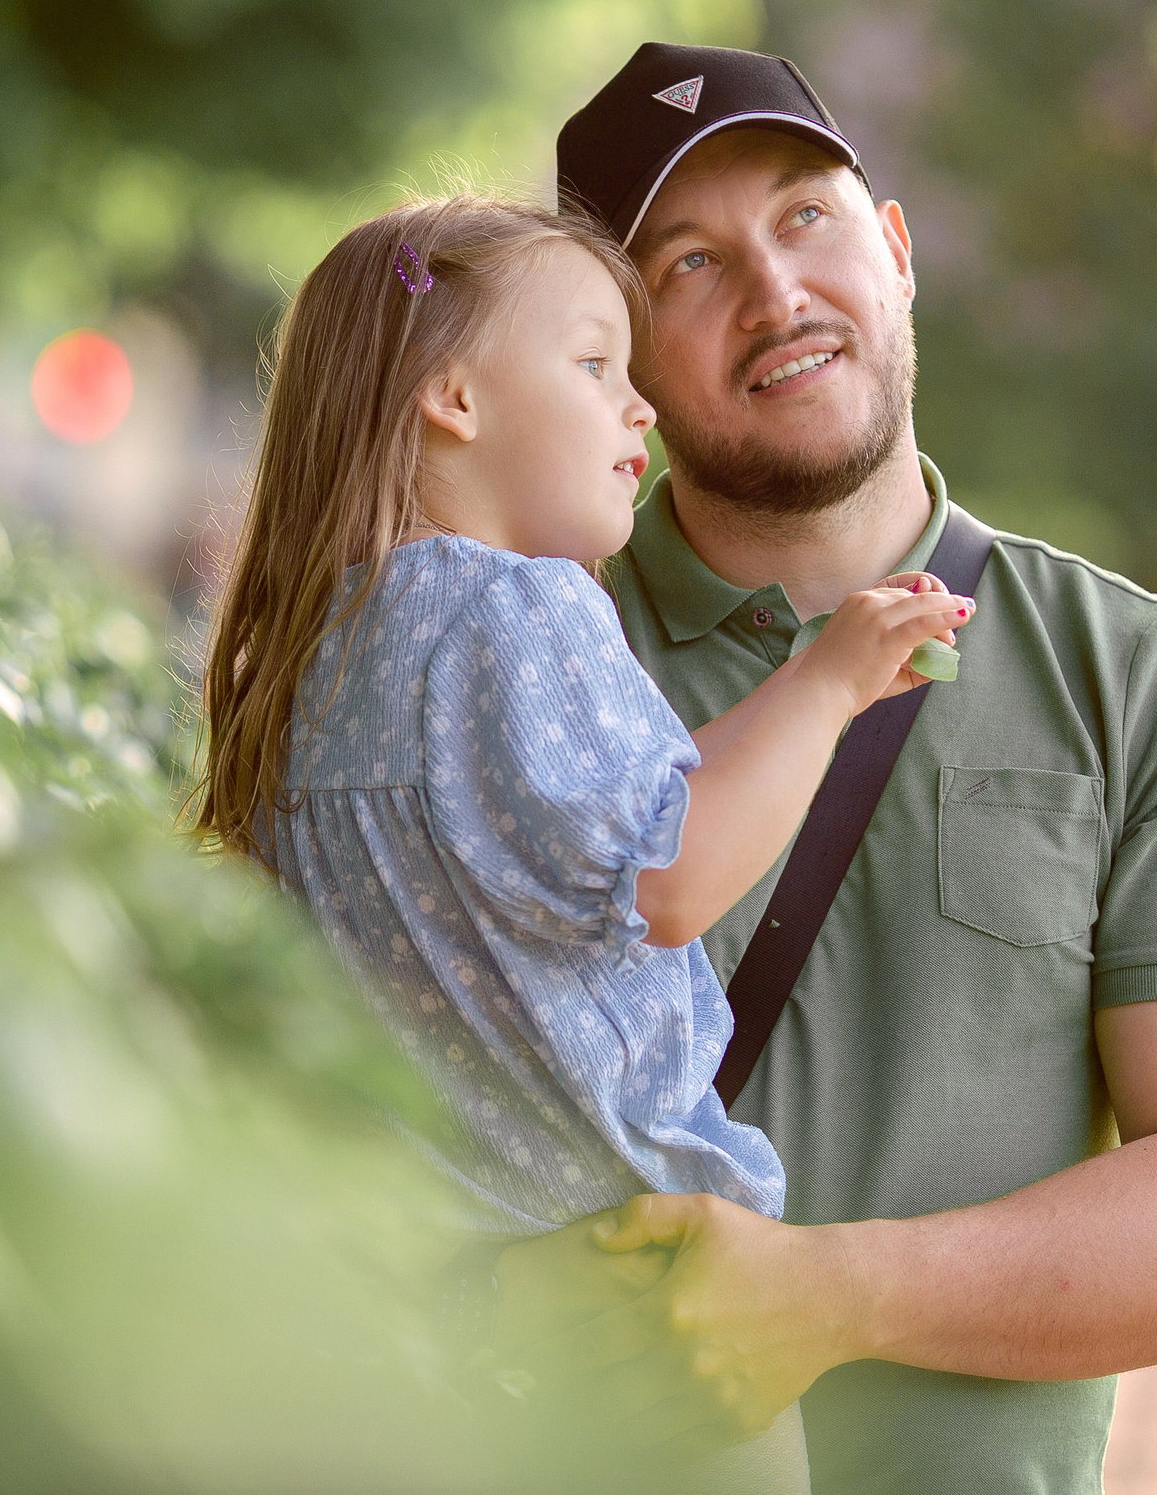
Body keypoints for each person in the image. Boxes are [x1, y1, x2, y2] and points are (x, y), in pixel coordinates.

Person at [484, 43, 1157, 1495]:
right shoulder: (505, 663)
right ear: (615, 362)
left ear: (898, 250)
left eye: (807, 217)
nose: (774, 294)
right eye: (685, 264)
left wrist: (825, 1297)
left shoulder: (1133, 673)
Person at [191, 193, 972, 1492]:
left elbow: (619, 823)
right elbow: (666, 875)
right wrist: (830, 682)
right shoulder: (522, 609)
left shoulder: (321, 655)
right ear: (454, 400)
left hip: (439, 1324)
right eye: (597, 364)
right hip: (646, 1328)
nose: (642, 407)